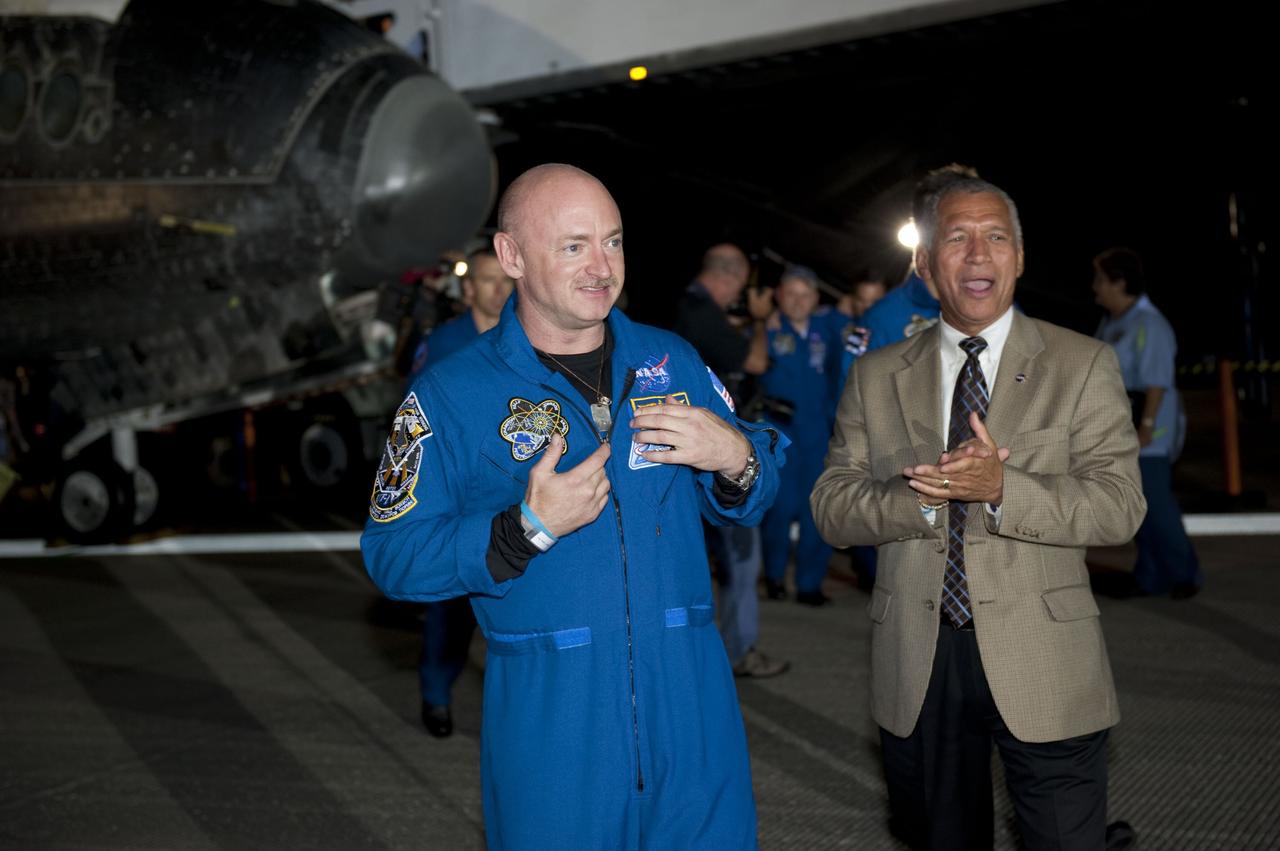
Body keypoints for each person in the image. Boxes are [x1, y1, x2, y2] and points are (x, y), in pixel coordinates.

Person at [362, 164, 786, 849]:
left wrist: (736, 455)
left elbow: (760, 480)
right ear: (511, 256)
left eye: (613, 242)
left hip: (693, 710)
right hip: (554, 729)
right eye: (573, 245)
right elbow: (392, 554)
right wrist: (523, 529)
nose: (601, 267)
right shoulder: (449, 394)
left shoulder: (673, 362)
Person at [811, 177, 1146, 849]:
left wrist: (1002, 487)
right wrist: (917, 499)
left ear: (1019, 257)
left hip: (1047, 654)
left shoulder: (1082, 363)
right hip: (919, 659)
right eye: (956, 239)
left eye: (995, 237)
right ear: (927, 266)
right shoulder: (876, 375)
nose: (976, 254)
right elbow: (830, 507)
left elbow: (1119, 506)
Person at [409, 248, 514, 737]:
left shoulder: (527, 341)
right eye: (487, 281)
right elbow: (416, 423)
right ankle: (436, 696)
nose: (499, 289)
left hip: (513, 497)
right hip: (458, 500)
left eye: (505, 280)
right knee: (449, 611)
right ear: (467, 289)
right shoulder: (444, 344)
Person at [672, 244, 791, 677]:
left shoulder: (690, 309)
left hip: (687, 453)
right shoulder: (703, 311)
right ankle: (739, 651)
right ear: (733, 277)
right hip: (715, 458)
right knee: (742, 552)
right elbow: (755, 359)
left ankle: (702, 654)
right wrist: (759, 320)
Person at [1093, 246, 1203, 599]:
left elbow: (1157, 382)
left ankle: (1184, 574)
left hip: (1149, 431)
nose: (1095, 287)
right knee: (1136, 507)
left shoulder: (1149, 324)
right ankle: (1150, 576)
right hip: (1123, 425)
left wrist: (1147, 428)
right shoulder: (1112, 323)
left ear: (1119, 282)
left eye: (1100, 279)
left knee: (1156, 503)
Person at [757, 265, 841, 605]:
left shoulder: (828, 328)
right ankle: (774, 576)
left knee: (817, 509)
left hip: (819, 431)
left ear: (816, 299)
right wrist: (761, 324)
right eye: (790, 293)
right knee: (779, 507)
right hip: (780, 432)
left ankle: (809, 583)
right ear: (779, 296)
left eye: (805, 295)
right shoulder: (767, 331)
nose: (797, 301)